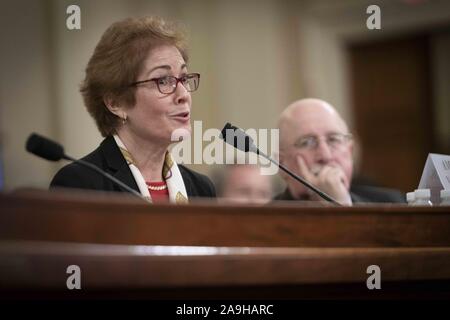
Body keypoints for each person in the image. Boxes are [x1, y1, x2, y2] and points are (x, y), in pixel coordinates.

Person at [51, 16, 215, 203]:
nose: (183, 94)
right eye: (163, 81)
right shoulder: (80, 185)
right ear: (115, 103)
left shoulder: (202, 189)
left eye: (183, 79)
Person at [275, 98, 405, 205]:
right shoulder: (262, 221)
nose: (325, 155)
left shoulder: (394, 204)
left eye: (333, 140)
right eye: (307, 142)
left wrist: (342, 205)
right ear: (281, 163)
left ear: (350, 151)